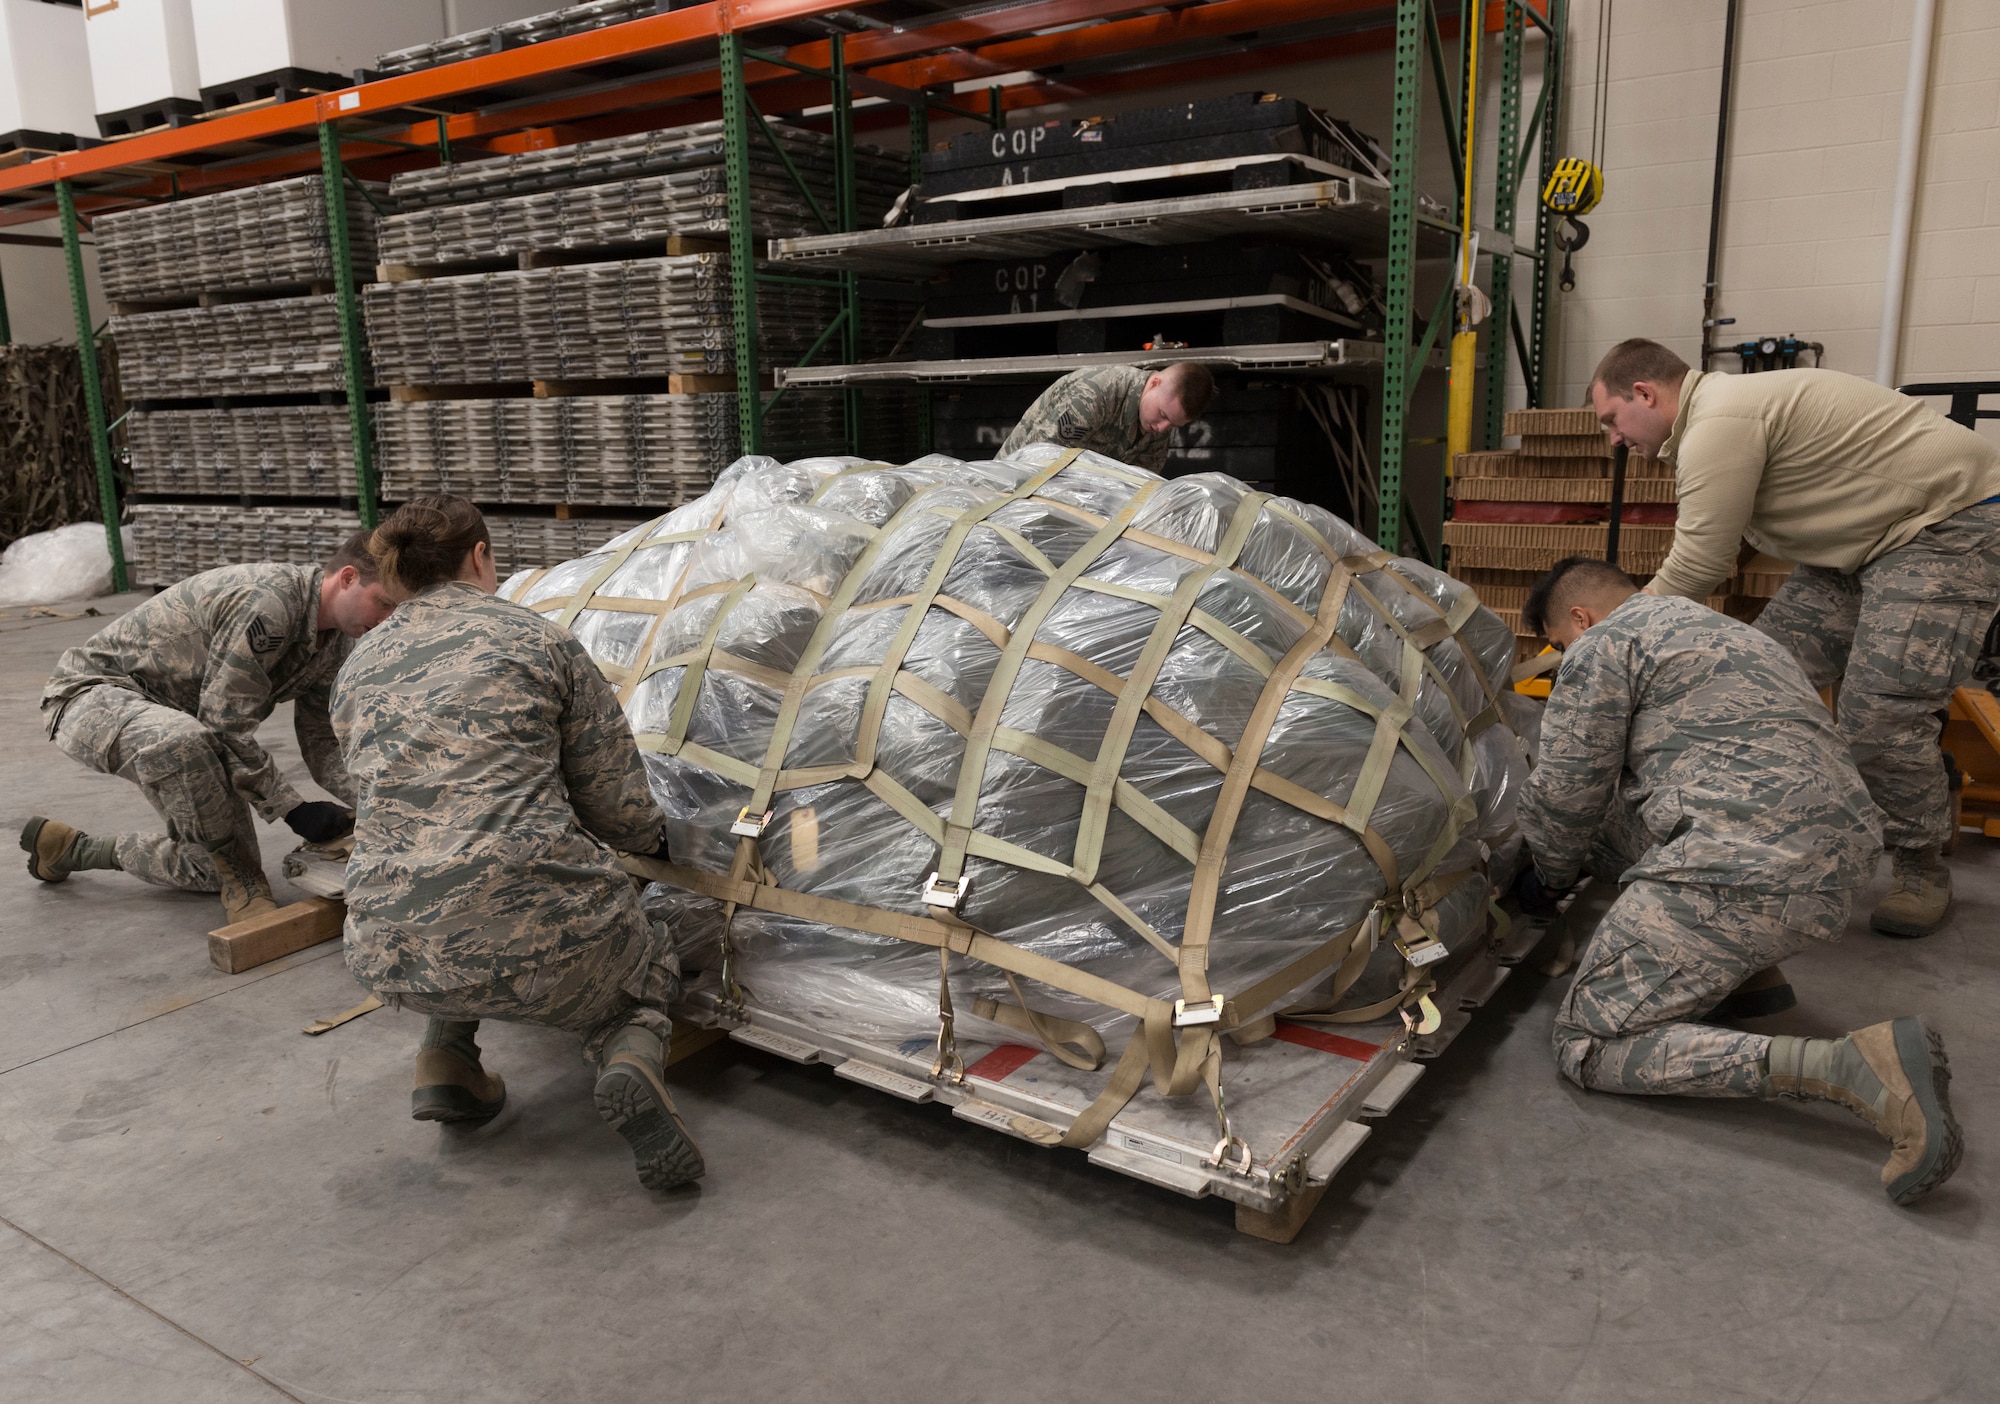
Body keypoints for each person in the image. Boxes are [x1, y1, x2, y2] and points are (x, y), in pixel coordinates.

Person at [1516, 556, 1962, 1207]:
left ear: (1579, 618)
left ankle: (1854, 1070)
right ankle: (1745, 975)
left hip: (1747, 860)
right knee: (1615, 827)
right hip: (1841, 851)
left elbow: (1565, 791)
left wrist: (1544, 876)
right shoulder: (1729, 634)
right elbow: (1610, 813)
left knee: (1589, 1042)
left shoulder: (1605, 644)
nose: (1562, 656)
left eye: (1558, 644)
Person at [332, 494, 701, 1192]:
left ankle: (445, 1064)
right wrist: (657, 852)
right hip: (531, 927)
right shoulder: (539, 641)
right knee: (642, 956)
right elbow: (617, 806)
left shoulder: (359, 662)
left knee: (452, 876)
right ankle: (627, 1055)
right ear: (480, 557)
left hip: (385, 940)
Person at [1588, 338, 2000, 937]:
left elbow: (1701, 562)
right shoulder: (1718, 421)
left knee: (1878, 720)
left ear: (1645, 394)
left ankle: (1921, 864)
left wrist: (1612, 641)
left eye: (1612, 420)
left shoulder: (1717, 423)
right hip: (1858, 546)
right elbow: (1731, 537)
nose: (1614, 439)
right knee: (1757, 683)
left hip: (1945, 524)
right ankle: (1747, 827)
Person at [22, 534, 396, 923]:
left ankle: (70, 849)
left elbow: (322, 741)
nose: (387, 620)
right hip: (91, 697)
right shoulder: (270, 602)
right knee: (186, 742)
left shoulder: (335, 646)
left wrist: (377, 803)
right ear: (348, 578)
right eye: (383, 603)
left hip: (182, 725)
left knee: (207, 867)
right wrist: (293, 809)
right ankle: (246, 883)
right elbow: (223, 723)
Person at [998, 362, 1215, 470]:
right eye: (1162, 415)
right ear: (1154, 384)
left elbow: (1142, 485)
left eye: (1172, 425)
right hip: (1009, 492)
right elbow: (1037, 462)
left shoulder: (1157, 424)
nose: (1162, 427)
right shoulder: (1095, 394)